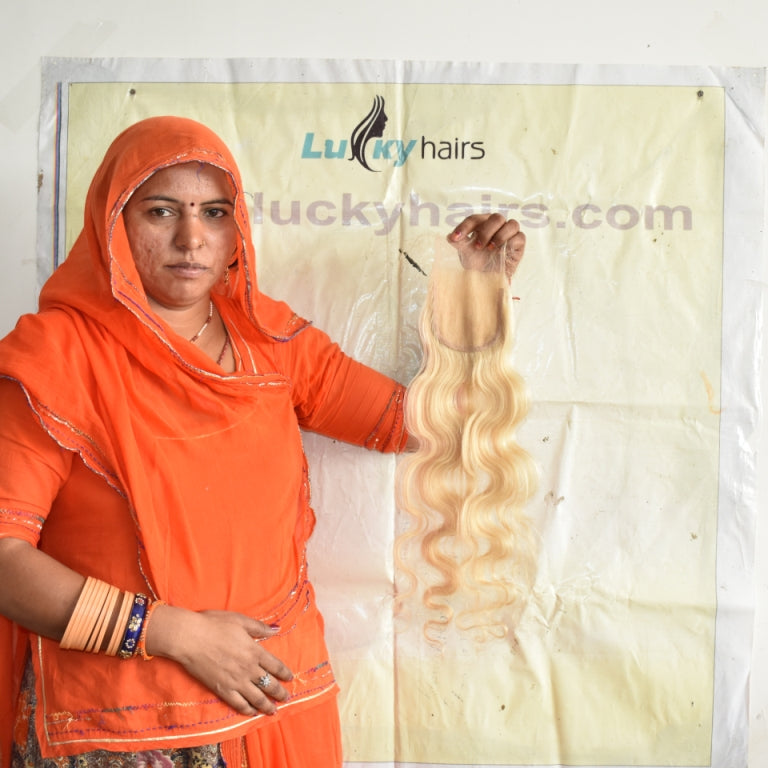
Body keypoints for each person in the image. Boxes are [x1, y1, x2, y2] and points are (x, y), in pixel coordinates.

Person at [0, 116, 525, 767]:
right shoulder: (54, 358)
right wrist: (176, 634)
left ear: (236, 229)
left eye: (214, 213)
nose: (191, 237)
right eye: (161, 211)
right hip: (122, 726)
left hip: (273, 699)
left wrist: (478, 292)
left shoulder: (268, 340)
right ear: (113, 221)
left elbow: (415, 422)